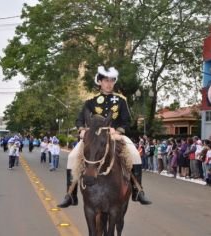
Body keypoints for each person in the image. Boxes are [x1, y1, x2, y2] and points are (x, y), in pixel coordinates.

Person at [58, 66, 151, 208]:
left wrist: (118, 132)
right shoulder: (90, 101)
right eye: (106, 80)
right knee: (72, 157)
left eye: (112, 80)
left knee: (134, 154)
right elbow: (79, 120)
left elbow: (127, 121)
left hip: (114, 135)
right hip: (94, 137)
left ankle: (138, 191)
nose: (109, 83)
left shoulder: (121, 100)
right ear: (100, 82)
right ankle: (70, 194)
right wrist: (82, 130)